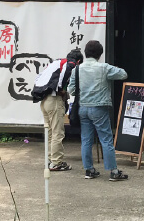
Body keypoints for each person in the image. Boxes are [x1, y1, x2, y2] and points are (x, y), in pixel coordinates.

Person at [68, 40, 128, 181]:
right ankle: (113, 171)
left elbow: (72, 90)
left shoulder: (77, 69)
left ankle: (89, 170)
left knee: (86, 140)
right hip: (99, 108)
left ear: (85, 53)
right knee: (106, 139)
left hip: (83, 108)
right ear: (100, 54)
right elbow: (123, 74)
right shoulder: (104, 68)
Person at [32, 48, 83, 171]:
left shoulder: (55, 63)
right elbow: (63, 78)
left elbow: (38, 78)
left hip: (44, 100)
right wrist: (61, 90)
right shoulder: (70, 64)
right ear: (78, 61)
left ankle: (50, 159)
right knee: (57, 133)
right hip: (54, 100)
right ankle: (57, 162)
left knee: (49, 132)